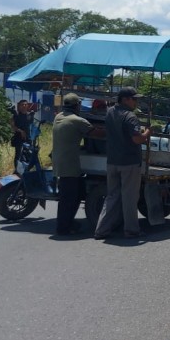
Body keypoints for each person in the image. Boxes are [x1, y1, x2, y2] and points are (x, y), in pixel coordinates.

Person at [94, 87, 151, 239]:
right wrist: (147, 133)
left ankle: (101, 229)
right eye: (134, 99)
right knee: (129, 198)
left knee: (112, 196)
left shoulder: (110, 112)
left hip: (112, 161)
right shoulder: (130, 116)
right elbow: (137, 139)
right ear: (125, 99)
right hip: (129, 162)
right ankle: (131, 230)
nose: (136, 101)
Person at [51, 93, 103, 236]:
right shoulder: (77, 120)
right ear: (77, 106)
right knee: (68, 198)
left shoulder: (58, 117)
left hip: (60, 162)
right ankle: (63, 228)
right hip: (69, 165)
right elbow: (97, 133)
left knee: (75, 194)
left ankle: (68, 223)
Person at [10, 99, 36, 171]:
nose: (24, 106)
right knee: (18, 155)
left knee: (28, 155)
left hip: (28, 138)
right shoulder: (16, 115)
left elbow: (32, 126)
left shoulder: (29, 115)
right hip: (18, 137)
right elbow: (12, 126)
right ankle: (17, 171)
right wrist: (20, 131)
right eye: (22, 105)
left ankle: (26, 170)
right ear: (19, 106)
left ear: (27, 106)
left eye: (25, 104)